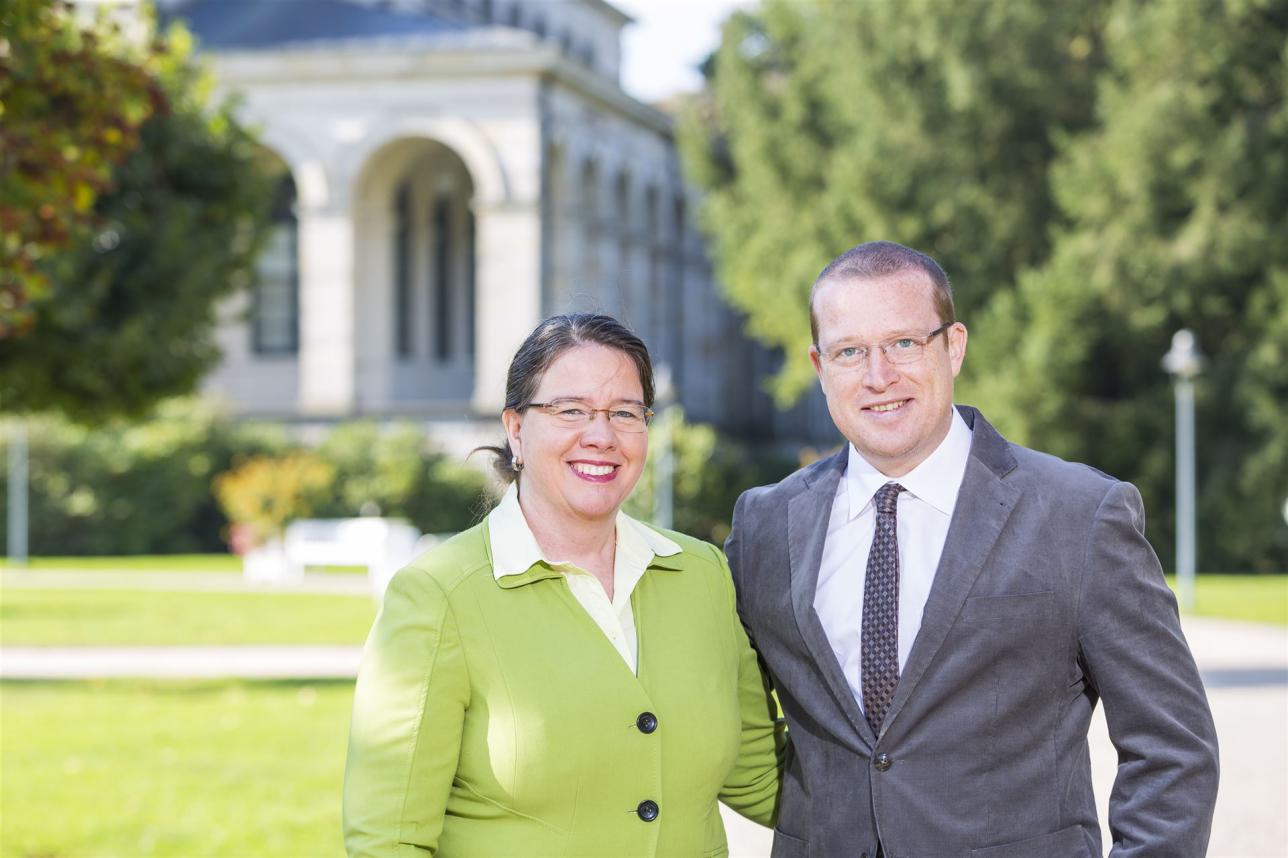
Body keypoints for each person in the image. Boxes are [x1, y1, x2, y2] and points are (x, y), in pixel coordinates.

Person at [725, 241, 1219, 858]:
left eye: (904, 343)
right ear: (820, 366)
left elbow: (1174, 749)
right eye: (850, 351)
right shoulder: (765, 524)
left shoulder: (1079, 514)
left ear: (953, 345)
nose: (879, 376)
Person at [343, 313, 784, 858]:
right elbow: (389, 840)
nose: (600, 436)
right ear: (516, 430)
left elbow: (764, 781)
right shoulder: (437, 596)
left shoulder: (702, 576)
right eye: (570, 410)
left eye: (625, 412)